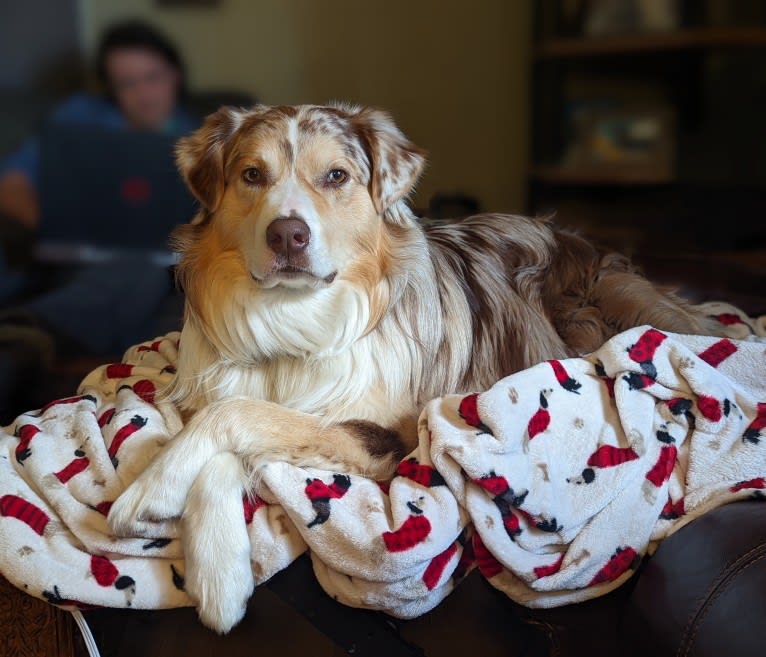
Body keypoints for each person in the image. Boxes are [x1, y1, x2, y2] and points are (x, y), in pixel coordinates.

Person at [0, 19, 199, 419]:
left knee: (175, 294)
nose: (143, 93)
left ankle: (32, 335)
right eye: (127, 83)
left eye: (152, 77)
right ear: (111, 89)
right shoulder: (80, 119)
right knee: (141, 275)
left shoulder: (199, 136)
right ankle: (24, 338)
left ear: (174, 75)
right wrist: (56, 224)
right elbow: (12, 181)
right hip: (81, 260)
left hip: (169, 268)